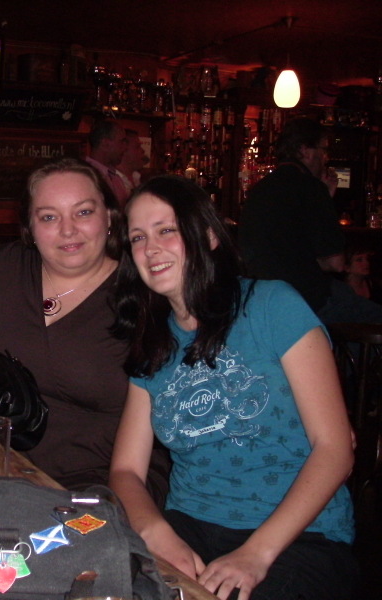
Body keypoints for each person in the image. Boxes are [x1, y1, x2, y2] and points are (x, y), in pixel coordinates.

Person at [109, 175, 357, 600]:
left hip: (298, 536)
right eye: (138, 237)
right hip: (190, 527)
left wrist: (256, 554)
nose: (150, 249)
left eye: (166, 230)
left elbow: (335, 449)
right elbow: (126, 471)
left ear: (208, 235)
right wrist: (155, 531)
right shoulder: (153, 341)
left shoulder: (272, 306)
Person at [0, 158, 170, 497]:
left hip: (101, 486)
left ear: (109, 217)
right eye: (49, 217)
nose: (68, 229)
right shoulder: (1, 267)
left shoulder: (145, 295)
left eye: (83, 212)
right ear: (29, 226)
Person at [239, 116, 382, 324]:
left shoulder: (260, 189)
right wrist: (325, 199)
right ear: (305, 150)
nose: (326, 158)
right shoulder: (311, 188)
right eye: (323, 150)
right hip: (305, 299)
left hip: (263, 297)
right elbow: (336, 263)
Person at [85, 119, 130, 208]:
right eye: (122, 141)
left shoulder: (116, 177)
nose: (125, 147)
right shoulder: (85, 175)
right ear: (105, 144)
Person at [116, 128, 148, 193]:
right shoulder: (113, 182)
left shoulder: (137, 178)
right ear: (123, 150)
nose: (142, 150)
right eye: (137, 147)